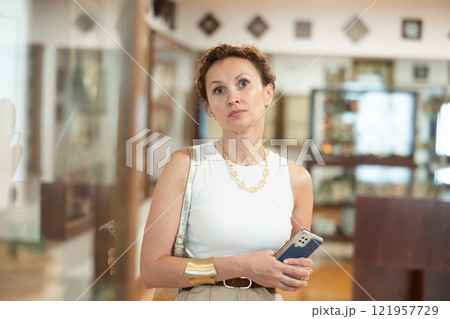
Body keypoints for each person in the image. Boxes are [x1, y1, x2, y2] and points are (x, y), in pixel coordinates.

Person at [115, 44, 314, 301]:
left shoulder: (297, 180)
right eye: (219, 90)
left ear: (268, 93)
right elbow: (152, 271)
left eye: (243, 83)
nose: (232, 97)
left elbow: (292, 268)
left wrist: (295, 273)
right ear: (209, 108)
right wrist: (242, 266)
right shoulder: (185, 165)